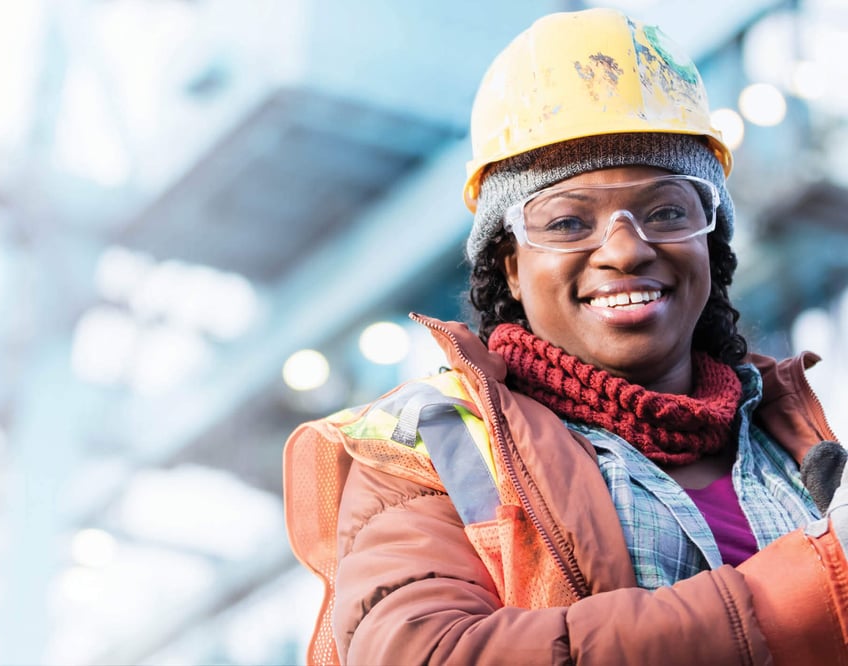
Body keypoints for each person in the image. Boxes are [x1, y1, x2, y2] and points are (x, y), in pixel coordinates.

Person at [283, 7, 848, 665]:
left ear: (710, 240)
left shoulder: (788, 441)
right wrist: (803, 593)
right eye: (568, 223)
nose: (626, 250)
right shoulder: (434, 448)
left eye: (667, 211)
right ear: (510, 267)